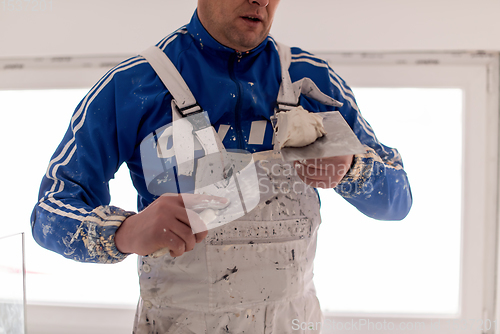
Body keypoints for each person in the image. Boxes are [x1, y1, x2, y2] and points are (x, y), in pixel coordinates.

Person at [31, 0, 412, 332]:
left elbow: (399, 199)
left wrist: (353, 170)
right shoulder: (133, 85)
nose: (260, 0)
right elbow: (50, 210)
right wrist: (127, 231)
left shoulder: (312, 81)